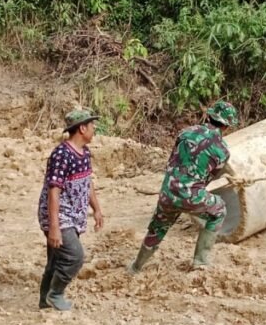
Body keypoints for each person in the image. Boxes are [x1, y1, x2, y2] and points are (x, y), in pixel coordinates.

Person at [127, 100, 238, 274]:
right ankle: (200, 263)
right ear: (227, 126)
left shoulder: (185, 133)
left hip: (168, 191)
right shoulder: (222, 150)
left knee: (158, 228)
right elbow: (209, 177)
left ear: (209, 116)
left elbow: (173, 160)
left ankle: (136, 267)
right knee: (219, 210)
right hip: (191, 196)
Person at [37, 109, 104, 311]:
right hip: (60, 215)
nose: (95, 130)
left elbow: (87, 182)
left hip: (73, 215)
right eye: (92, 126)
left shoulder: (84, 153)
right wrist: (54, 227)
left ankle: (45, 300)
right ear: (82, 128)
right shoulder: (61, 155)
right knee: (74, 256)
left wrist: (97, 209)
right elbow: (53, 192)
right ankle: (55, 294)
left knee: (56, 259)